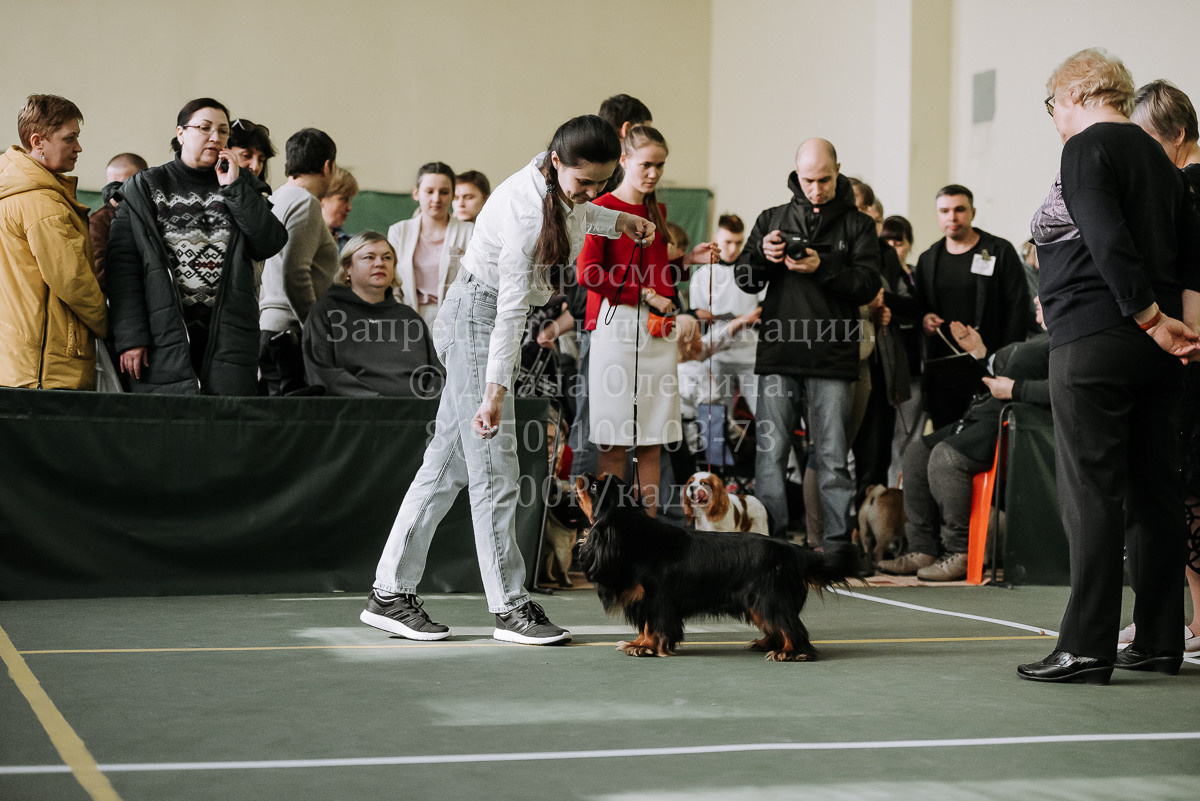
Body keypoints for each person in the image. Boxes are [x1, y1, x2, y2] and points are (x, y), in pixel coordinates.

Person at [360, 115, 654, 645]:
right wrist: (493, 393)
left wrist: (619, 222)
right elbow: (510, 312)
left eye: (603, 183)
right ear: (557, 162)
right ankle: (511, 605)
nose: (593, 191)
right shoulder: (522, 210)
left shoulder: (559, 187)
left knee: (446, 467)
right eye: (584, 180)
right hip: (479, 320)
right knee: (496, 467)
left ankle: (388, 593)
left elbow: (579, 213)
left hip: (481, 318)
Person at [1018, 48, 1200, 684]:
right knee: (1155, 494)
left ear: (1077, 92)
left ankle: (1087, 645)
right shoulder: (1161, 158)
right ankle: (1157, 640)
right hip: (1158, 352)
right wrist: (1179, 329)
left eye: (1052, 106)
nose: (1055, 118)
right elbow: (1189, 255)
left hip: (1097, 339)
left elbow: (1104, 237)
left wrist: (1148, 316)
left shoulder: (1088, 147)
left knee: (1090, 495)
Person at [734, 138, 881, 543]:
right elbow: (745, 279)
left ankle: (836, 548)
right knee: (770, 457)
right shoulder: (771, 218)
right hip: (780, 354)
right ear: (796, 175)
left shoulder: (859, 225)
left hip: (833, 358)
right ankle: (770, 546)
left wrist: (823, 266)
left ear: (838, 171)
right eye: (808, 180)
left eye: (825, 179)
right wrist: (763, 256)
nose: (816, 188)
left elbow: (868, 285)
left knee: (832, 458)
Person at [108, 98, 286, 395]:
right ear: (180, 134)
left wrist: (234, 187)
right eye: (204, 128)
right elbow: (122, 270)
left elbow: (269, 242)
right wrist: (130, 338)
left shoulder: (243, 187)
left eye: (223, 131)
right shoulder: (145, 187)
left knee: (226, 430)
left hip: (228, 337)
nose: (215, 137)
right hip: (161, 336)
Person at [578, 125, 709, 516]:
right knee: (614, 438)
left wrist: (686, 262)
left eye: (660, 166)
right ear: (624, 161)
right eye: (646, 164)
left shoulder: (657, 210)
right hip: (616, 326)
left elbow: (657, 278)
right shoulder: (600, 208)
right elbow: (588, 274)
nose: (653, 173)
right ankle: (607, 532)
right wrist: (644, 293)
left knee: (652, 438)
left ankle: (648, 537)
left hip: (656, 332)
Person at [879, 299, 1050, 581]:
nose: (1034, 300)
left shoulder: (1068, 342)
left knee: (946, 459)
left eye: (1043, 296)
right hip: (982, 413)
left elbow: (1064, 387)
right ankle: (923, 548)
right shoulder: (1041, 339)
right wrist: (980, 353)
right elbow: (1005, 373)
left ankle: (960, 551)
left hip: (1014, 421)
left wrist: (1017, 389)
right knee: (916, 452)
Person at [1130, 78, 1200, 654]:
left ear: (1177, 136)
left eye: (1149, 141)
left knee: (1189, 489)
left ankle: (1198, 621)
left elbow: (1189, 277)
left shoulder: (1185, 188)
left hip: (1190, 357)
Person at [566, 95, 653, 484]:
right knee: (594, 416)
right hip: (600, 318)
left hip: (630, 323)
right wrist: (641, 293)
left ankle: (615, 510)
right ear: (625, 135)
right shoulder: (600, 197)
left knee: (623, 423)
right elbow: (584, 271)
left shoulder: (644, 203)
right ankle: (580, 508)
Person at [0, 94, 107, 390]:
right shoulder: (42, 203)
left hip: (13, 361)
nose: (78, 147)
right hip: (46, 368)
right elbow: (72, 280)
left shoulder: (12, 190)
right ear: (37, 142)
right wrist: (107, 322)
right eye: (69, 138)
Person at [915, 184, 1032, 427]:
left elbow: (1017, 307)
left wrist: (1006, 363)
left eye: (959, 209)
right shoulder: (928, 259)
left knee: (988, 438)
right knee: (945, 438)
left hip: (990, 363)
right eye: (945, 211)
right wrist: (925, 320)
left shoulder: (999, 251)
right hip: (945, 369)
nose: (952, 217)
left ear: (973, 212)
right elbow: (921, 307)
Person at [302, 230, 442, 397]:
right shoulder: (325, 313)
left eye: (387, 258)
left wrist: (426, 406)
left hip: (417, 415)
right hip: (358, 414)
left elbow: (437, 373)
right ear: (348, 267)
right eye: (369, 257)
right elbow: (322, 373)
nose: (379, 263)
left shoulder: (409, 317)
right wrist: (377, 404)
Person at [257, 127, 340, 396]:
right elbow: (295, 274)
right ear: (327, 166)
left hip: (269, 327)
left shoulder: (278, 196)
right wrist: (315, 330)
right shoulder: (305, 202)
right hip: (288, 334)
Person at [689, 213, 762, 416]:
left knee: (766, 416)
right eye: (728, 242)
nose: (733, 249)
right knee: (719, 418)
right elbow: (698, 324)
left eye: (738, 243)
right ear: (716, 239)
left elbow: (765, 308)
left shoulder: (753, 272)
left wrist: (748, 320)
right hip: (717, 355)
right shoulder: (701, 276)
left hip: (751, 354)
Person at [386, 162, 474, 328]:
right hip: (407, 317)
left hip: (456, 321)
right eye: (429, 191)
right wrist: (398, 316)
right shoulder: (398, 231)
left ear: (452, 195)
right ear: (416, 193)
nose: (436, 199)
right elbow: (392, 282)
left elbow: (472, 283)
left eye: (444, 192)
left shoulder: (468, 232)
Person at [881, 214, 926, 485]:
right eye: (887, 242)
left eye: (899, 242)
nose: (893, 248)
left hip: (917, 366)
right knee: (894, 438)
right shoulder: (878, 278)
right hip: (891, 369)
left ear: (909, 244)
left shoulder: (914, 275)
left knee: (913, 437)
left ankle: (904, 495)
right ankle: (890, 494)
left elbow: (922, 309)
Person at [89, 152, 148, 288]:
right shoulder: (99, 222)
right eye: (111, 185)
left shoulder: (156, 214)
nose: (116, 192)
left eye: (124, 185)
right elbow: (99, 273)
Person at [321, 166, 359, 252]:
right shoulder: (302, 239)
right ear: (321, 198)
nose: (349, 208)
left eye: (350, 200)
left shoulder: (352, 245)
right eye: (344, 199)